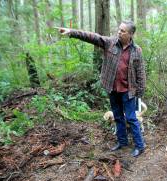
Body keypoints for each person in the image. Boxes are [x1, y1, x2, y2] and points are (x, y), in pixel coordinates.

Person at [57, 21, 146, 157]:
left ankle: (140, 146)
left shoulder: (137, 50)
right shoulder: (110, 42)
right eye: (119, 29)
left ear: (131, 34)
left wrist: (140, 92)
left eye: (123, 31)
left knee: (131, 118)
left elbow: (140, 72)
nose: (119, 32)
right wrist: (72, 32)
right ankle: (122, 142)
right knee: (117, 117)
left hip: (128, 91)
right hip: (112, 88)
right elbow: (92, 37)